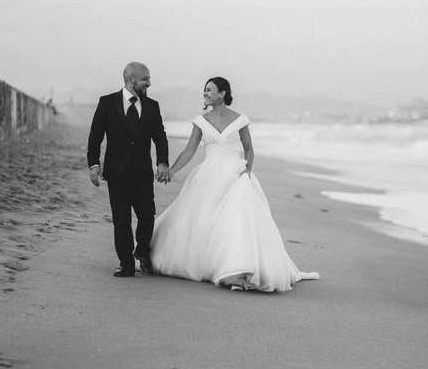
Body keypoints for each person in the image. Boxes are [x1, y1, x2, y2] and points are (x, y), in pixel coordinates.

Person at [150, 77, 318, 291]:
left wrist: (247, 170)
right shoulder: (201, 121)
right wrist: (172, 170)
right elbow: (189, 150)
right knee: (202, 220)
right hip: (207, 177)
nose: (205, 93)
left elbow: (248, 148)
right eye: (204, 90)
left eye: (209, 90)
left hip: (234, 175)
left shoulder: (239, 120)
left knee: (236, 221)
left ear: (222, 94)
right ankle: (211, 264)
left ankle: (236, 270)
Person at [87, 62, 170, 277]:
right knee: (121, 219)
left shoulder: (152, 106)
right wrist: (94, 165)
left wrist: (162, 162)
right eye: (145, 79)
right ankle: (126, 263)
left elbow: (160, 138)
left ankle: (141, 251)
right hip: (117, 172)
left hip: (142, 173)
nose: (148, 83)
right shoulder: (107, 102)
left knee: (147, 216)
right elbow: (95, 136)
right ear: (131, 80)